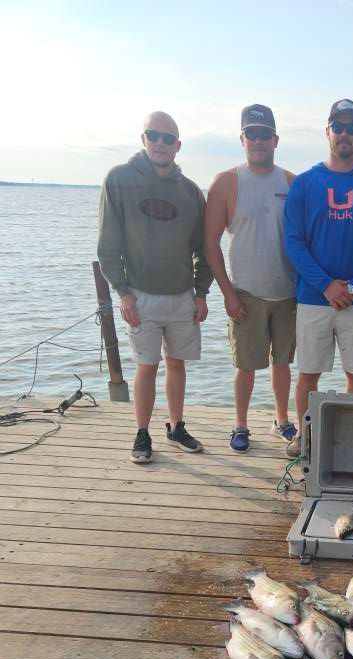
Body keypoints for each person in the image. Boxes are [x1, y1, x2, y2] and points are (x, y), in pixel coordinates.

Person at [97, 111, 212, 463]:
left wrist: (201, 291)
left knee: (177, 364)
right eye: (154, 136)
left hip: (181, 298)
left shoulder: (191, 191)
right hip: (140, 296)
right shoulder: (118, 180)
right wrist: (122, 290)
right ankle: (142, 433)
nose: (161, 143)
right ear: (143, 138)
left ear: (178, 145)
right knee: (146, 366)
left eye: (168, 138)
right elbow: (107, 244)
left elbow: (203, 248)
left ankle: (176, 426)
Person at [283, 98, 353, 458]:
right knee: (308, 374)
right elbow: (294, 243)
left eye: (351, 128)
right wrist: (326, 285)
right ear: (327, 131)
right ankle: (304, 434)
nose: (344, 134)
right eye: (338, 126)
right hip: (313, 298)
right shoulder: (304, 184)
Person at [204, 104, 298, 453]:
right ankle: (240, 424)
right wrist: (227, 292)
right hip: (245, 293)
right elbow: (209, 243)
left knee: (283, 362)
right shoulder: (227, 182)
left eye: (265, 134)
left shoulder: (292, 182)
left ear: (276, 139)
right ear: (242, 138)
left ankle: (282, 420)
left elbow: (304, 239)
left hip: (287, 293)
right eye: (252, 134)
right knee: (245, 365)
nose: (259, 141)